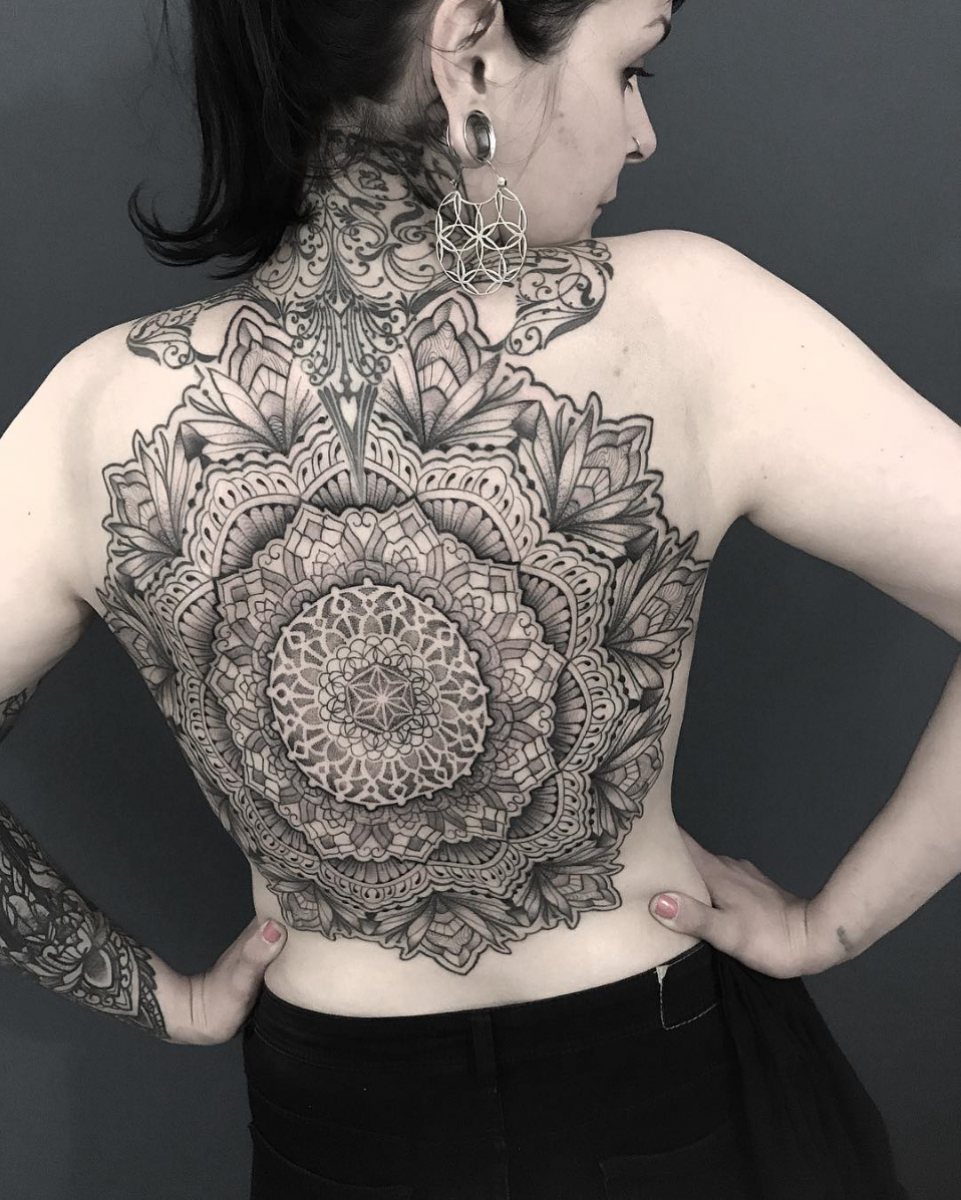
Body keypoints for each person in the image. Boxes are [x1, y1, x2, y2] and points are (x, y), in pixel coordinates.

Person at [1, 0, 957, 1195]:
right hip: (667, 1086)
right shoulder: (687, 319)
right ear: (468, 49)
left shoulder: (95, 413)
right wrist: (831, 927)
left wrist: (165, 999)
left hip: (331, 1129)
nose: (642, 133)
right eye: (632, 66)